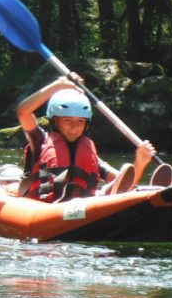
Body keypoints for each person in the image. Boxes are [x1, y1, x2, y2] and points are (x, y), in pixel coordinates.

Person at [16, 76, 159, 203]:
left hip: (80, 208)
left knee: (118, 182)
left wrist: (140, 163)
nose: (74, 127)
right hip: (43, 206)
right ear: (54, 121)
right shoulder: (40, 140)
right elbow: (23, 112)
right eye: (67, 120)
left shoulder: (90, 153)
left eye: (80, 121)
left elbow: (126, 181)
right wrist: (58, 86)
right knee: (109, 190)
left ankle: (114, 195)